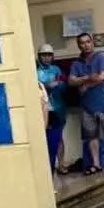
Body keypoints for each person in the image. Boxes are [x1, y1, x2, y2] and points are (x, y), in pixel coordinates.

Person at [68, 32, 104, 173]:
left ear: (92, 43)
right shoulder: (76, 63)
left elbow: (103, 76)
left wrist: (86, 85)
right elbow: (71, 80)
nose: (85, 45)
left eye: (88, 42)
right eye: (82, 43)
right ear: (78, 45)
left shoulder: (101, 58)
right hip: (87, 107)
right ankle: (96, 164)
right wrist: (88, 78)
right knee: (91, 137)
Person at [36, 45, 68, 176]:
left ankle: (61, 164)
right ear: (39, 57)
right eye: (44, 55)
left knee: (59, 137)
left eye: (49, 55)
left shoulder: (56, 69)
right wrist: (48, 86)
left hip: (58, 107)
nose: (47, 57)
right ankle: (49, 166)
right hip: (45, 108)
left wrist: (58, 85)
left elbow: (63, 85)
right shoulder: (36, 71)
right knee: (47, 138)